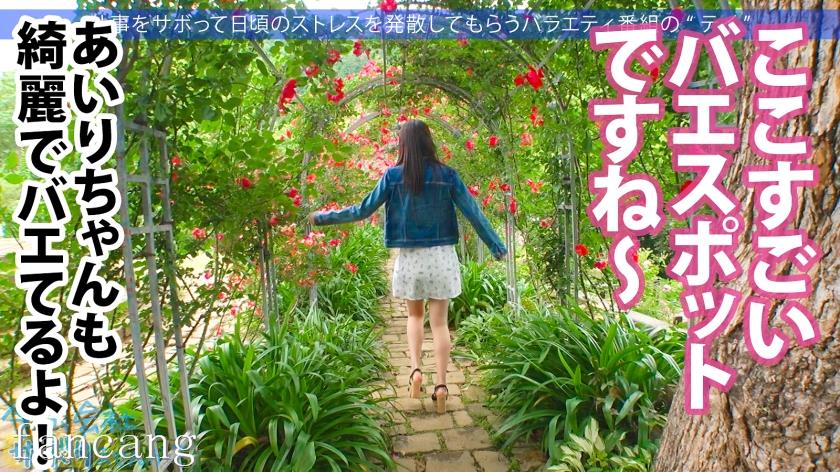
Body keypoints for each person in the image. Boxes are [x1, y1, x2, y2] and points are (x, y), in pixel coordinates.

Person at [309, 119, 507, 414]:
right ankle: (442, 386)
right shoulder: (448, 176)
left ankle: (415, 372)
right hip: (441, 258)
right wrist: (496, 246)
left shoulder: (392, 176)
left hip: (411, 259)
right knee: (439, 324)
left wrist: (322, 218)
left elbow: (362, 210)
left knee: (414, 317)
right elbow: (473, 212)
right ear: (429, 142)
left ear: (403, 144)